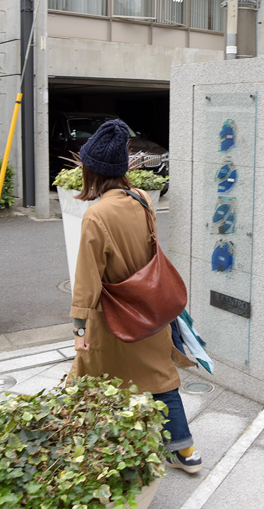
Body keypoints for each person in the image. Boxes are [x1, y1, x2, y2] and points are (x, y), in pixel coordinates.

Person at [69, 118, 203, 475]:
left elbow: (87, 278)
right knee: (160, 378)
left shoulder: (96, 215)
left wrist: (79, 327)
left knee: (90, 377)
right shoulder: (142, 199)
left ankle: (87, 447)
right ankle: (186, 451)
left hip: (113, 315)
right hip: (149, 307)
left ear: (92, 171)